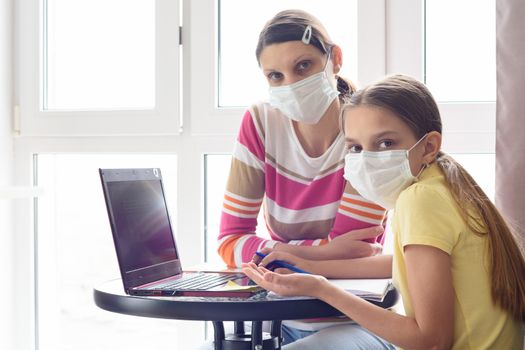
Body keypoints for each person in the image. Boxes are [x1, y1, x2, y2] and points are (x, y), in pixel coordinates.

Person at [243, 75, 525, 349]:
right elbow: (406, 264)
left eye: (386, 143)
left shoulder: (421, 199)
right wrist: (311, 265)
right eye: (355, 147)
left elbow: (431, 342)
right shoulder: (442, 185)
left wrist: (322, 289)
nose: (368, 158)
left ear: (428, 146)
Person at [214, 9, 394, 348]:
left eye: (303, 66)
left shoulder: (368, 129)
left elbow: (354, 254)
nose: (291, 85)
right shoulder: (260, 123)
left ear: (334, 59)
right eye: (275, 76)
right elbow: (229, 242)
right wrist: (314, 251)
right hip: (275, 318)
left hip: (355, 321)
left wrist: (278, 254)